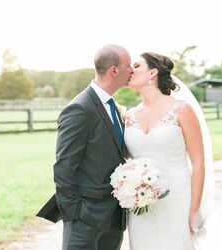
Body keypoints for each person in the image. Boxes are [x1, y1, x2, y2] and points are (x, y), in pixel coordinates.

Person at [123, 52, 206, 249]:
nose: (130, 70)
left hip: (178, 200)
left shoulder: (181, 110)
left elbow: (198, 161)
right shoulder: (129, 116)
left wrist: (194, 209)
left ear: (153, 72)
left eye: (136, 66)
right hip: (141, 205)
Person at [53, 44, 133, 250]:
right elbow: (64, 167)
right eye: (129, 65)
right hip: (85, 220)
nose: (132, 70)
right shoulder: (80, 108)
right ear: (114, 71)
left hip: (114, 217)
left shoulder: (113, 106)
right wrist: (76, 215)